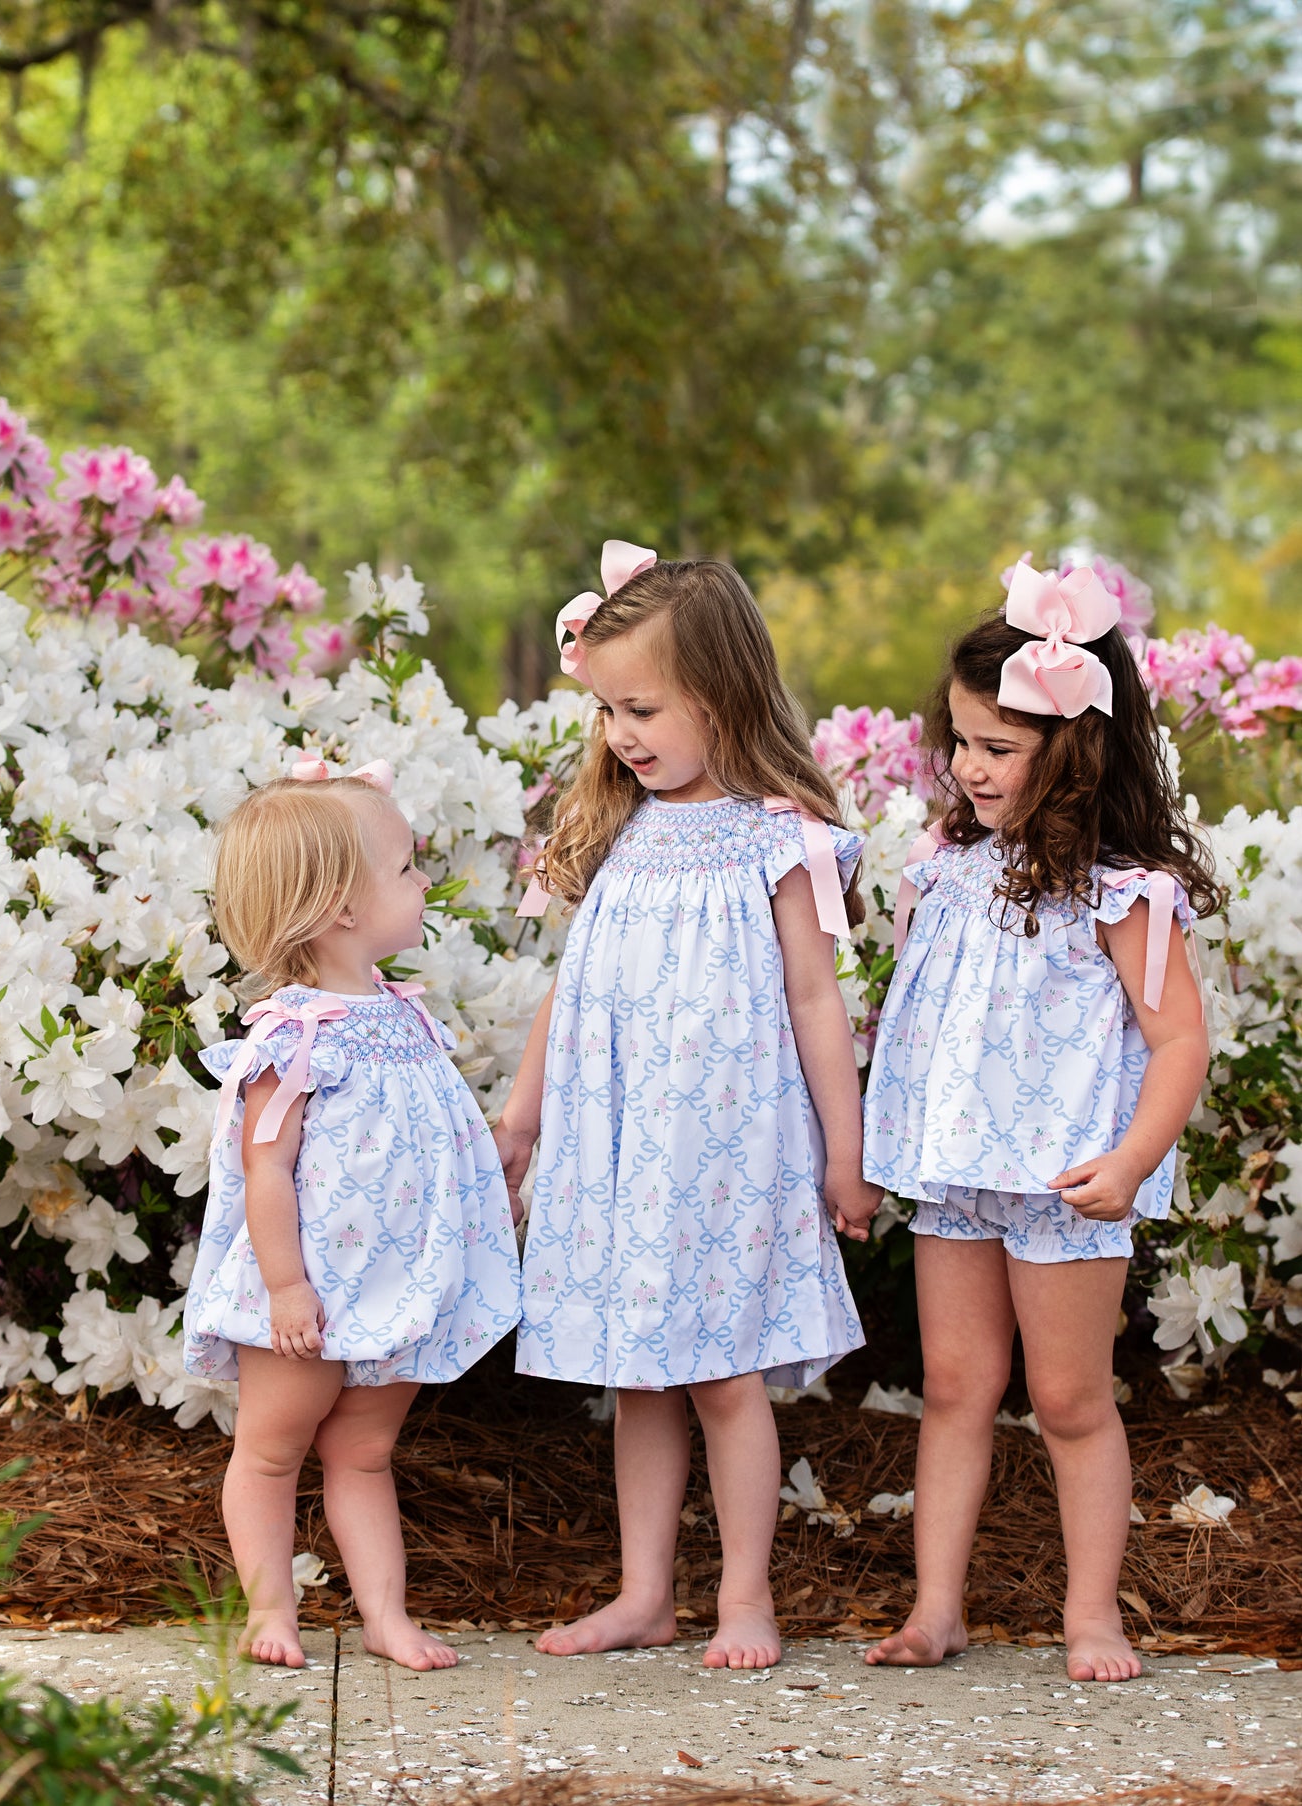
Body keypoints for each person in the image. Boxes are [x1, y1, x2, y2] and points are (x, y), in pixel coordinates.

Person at [493, 541, 882, 1671]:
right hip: (616, 1141)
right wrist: (522, 1117)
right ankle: (643, 1592)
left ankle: (746, 1596)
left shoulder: (779, 836)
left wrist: (843, 1157)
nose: (622, 733)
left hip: (725, 1149)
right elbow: (573, 989)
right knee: (636, 1372)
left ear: (719, 692)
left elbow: (816, 999)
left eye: (644, 707)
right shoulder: (620, 831)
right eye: (609, 709)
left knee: (721, 1371)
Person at [862, 560, 1218, 1683]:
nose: (967, 768)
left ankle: (1089, 1614)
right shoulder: (953, 872)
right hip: (961, 1175)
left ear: (1071, 754)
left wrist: (1128, 1162)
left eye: (995, 749)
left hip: (1069, 1181)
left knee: (1066, 1399)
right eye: (959, 742)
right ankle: (935, 1609)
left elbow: (1178, 1044)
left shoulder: (1119, 892)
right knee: (956, 1388)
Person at [184, 755, 522, 1670]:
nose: (422, 882)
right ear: (342, 907)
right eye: (407, 868)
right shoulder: (294, 1037)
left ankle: (384, 1615)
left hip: (395, 1284)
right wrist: (287, 1289)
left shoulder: (404, 1016)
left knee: (365, 1454)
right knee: (269, 1453)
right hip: (311, 1295)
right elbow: (264, 1171)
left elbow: (426, 1136)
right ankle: (269, 1614)